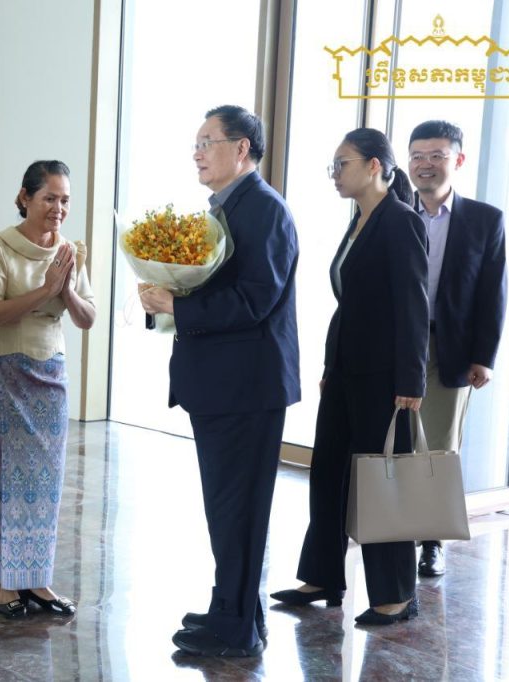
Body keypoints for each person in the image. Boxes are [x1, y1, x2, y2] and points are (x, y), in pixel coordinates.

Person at [140, 105, 300, 658]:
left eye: (207, 142)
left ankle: (235, 629)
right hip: (222, 385)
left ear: (242, 148)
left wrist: (179, 307)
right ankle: (235, 611)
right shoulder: (225, 208)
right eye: (197, 143)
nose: (198, 153)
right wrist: (164, 298)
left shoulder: (265, 209)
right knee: (227, 510)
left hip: (246, 388)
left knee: (239, 511)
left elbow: (256, 299)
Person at [271, 128, 429, 626]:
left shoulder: (400, 221)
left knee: (382, 482)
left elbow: (413, 305)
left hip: (385, 378)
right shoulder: (359, 221)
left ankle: (396, 595)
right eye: (334, 165)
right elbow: (349, 305)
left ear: (375, 165)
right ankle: (321, 576)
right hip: (345, 372)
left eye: (343, 164)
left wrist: (412, 380)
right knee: (329, 473)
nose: (335, 174)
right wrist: (329, 366)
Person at [0, 160, 96, 619]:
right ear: (25, 197)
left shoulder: (70, 252)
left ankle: (36, 577)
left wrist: (67, 290)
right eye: (49, 198)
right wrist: (45, 290)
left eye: (65, 200)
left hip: (49, 373)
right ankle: (2, 580)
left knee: (44, 482)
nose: (58, 208)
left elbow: (87, 317)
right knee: (0, 478)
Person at [408, 120, 507, 577]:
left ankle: (432, 541)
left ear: (458, 160)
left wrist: (484, 357)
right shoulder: (392, 212)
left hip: (449, 347)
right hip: (397, 345)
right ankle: (390, 530)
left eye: (437, 155)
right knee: (393, 444)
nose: (425, 164)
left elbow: (493, 293)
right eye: (417, 155)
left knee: (439, 449)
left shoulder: (485, 220)